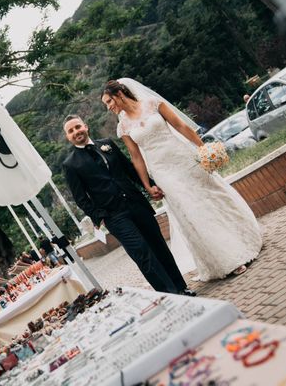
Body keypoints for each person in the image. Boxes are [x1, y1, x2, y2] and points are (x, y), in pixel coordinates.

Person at [101, 79, 262, 281]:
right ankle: (228, 260)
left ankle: (243, 240)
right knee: (190, 210)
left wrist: (202, 148)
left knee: (212, 197)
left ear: (120, 93)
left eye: (109, 101)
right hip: (162, 171)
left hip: (183, 158)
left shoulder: (152, 103)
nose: (108, 107)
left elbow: (180, 125)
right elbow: (136, 157)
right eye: (106, 104)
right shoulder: (123, 126)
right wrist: (147, 185)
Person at [62, 115, 193, 295]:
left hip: (136, 203)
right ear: (68, 137)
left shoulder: (106, 144)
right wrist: (100, 216)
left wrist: (150, 186)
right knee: (142, 253)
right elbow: (80, 198)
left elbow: (130, 169)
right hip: (114, 216)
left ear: (85, 126)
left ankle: (181, 288)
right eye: (71, 131)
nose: (76, 132)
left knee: (159, 246)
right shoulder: (70, 164)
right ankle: (170, 294)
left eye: (78, 127)